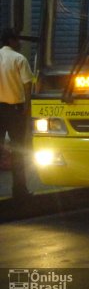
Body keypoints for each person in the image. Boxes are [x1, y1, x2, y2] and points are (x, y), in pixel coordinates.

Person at [0, 28, 34, 199]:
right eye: (17, 40)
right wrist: (28, 107)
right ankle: (19, 191)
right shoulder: (19, 59)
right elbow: (28, 85)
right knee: (18, 150)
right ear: (11, 41)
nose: (19, 43)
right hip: (15, 111)